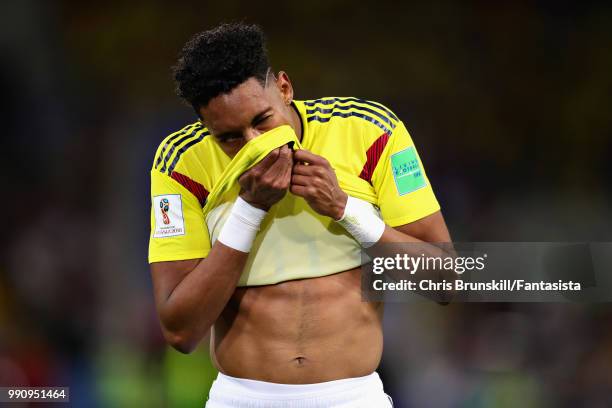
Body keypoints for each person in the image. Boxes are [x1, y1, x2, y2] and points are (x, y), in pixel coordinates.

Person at [148, 23, 451, 407]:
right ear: (206, 129)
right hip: (242, 398)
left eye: (261, 121)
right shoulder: (180, 164)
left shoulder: (371, 132)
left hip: (352, 397)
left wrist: (346, 210)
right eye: (229, 138)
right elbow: (181, 332)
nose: (254, 145)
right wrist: (249, 209)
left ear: (286, 88)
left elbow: (447, 281)